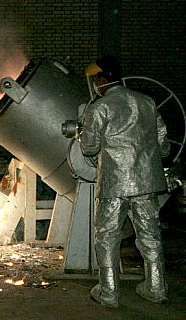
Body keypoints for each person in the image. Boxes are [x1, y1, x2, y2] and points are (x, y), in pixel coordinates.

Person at [79, 56, 170, 307]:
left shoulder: (99, 107)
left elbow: (89, 148)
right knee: (150, 236)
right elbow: (162, 144)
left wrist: (80, 136)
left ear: (101, 79)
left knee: (107, 236)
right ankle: (156, 287)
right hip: (146, 183)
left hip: (114, 184)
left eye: (96, 80)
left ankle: (108, 292)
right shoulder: (147, 102)